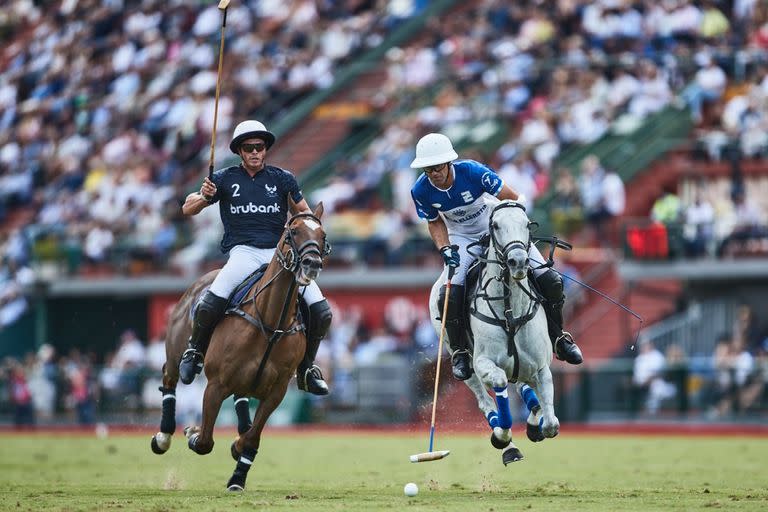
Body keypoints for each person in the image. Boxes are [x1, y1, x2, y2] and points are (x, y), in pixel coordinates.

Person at [409, 133, 583, 381]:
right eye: (428, 170)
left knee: (551, 279)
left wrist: (511, 233)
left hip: (496, 229)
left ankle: (559, 338)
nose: (433, 174)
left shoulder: (472, 172)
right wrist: (445, 249)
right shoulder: (421, 190)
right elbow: (434, 222)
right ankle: (459, 352)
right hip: (461, 238)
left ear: (448, 163)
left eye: (437, 167)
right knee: (450, 293)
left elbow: (514, 199)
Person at [178, 120, 332, 396]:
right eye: (249, 148)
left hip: (279, 255)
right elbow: (188, 209)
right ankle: (195, 352)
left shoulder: (282, 178)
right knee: (213, 297)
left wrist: (309, 229)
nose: (255, 152)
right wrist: (203, 196)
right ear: (239, 151)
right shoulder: (224, 178)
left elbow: (305, 213)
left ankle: (307, 369)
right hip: (244, 252)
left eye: (260, 147)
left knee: (320, 310)